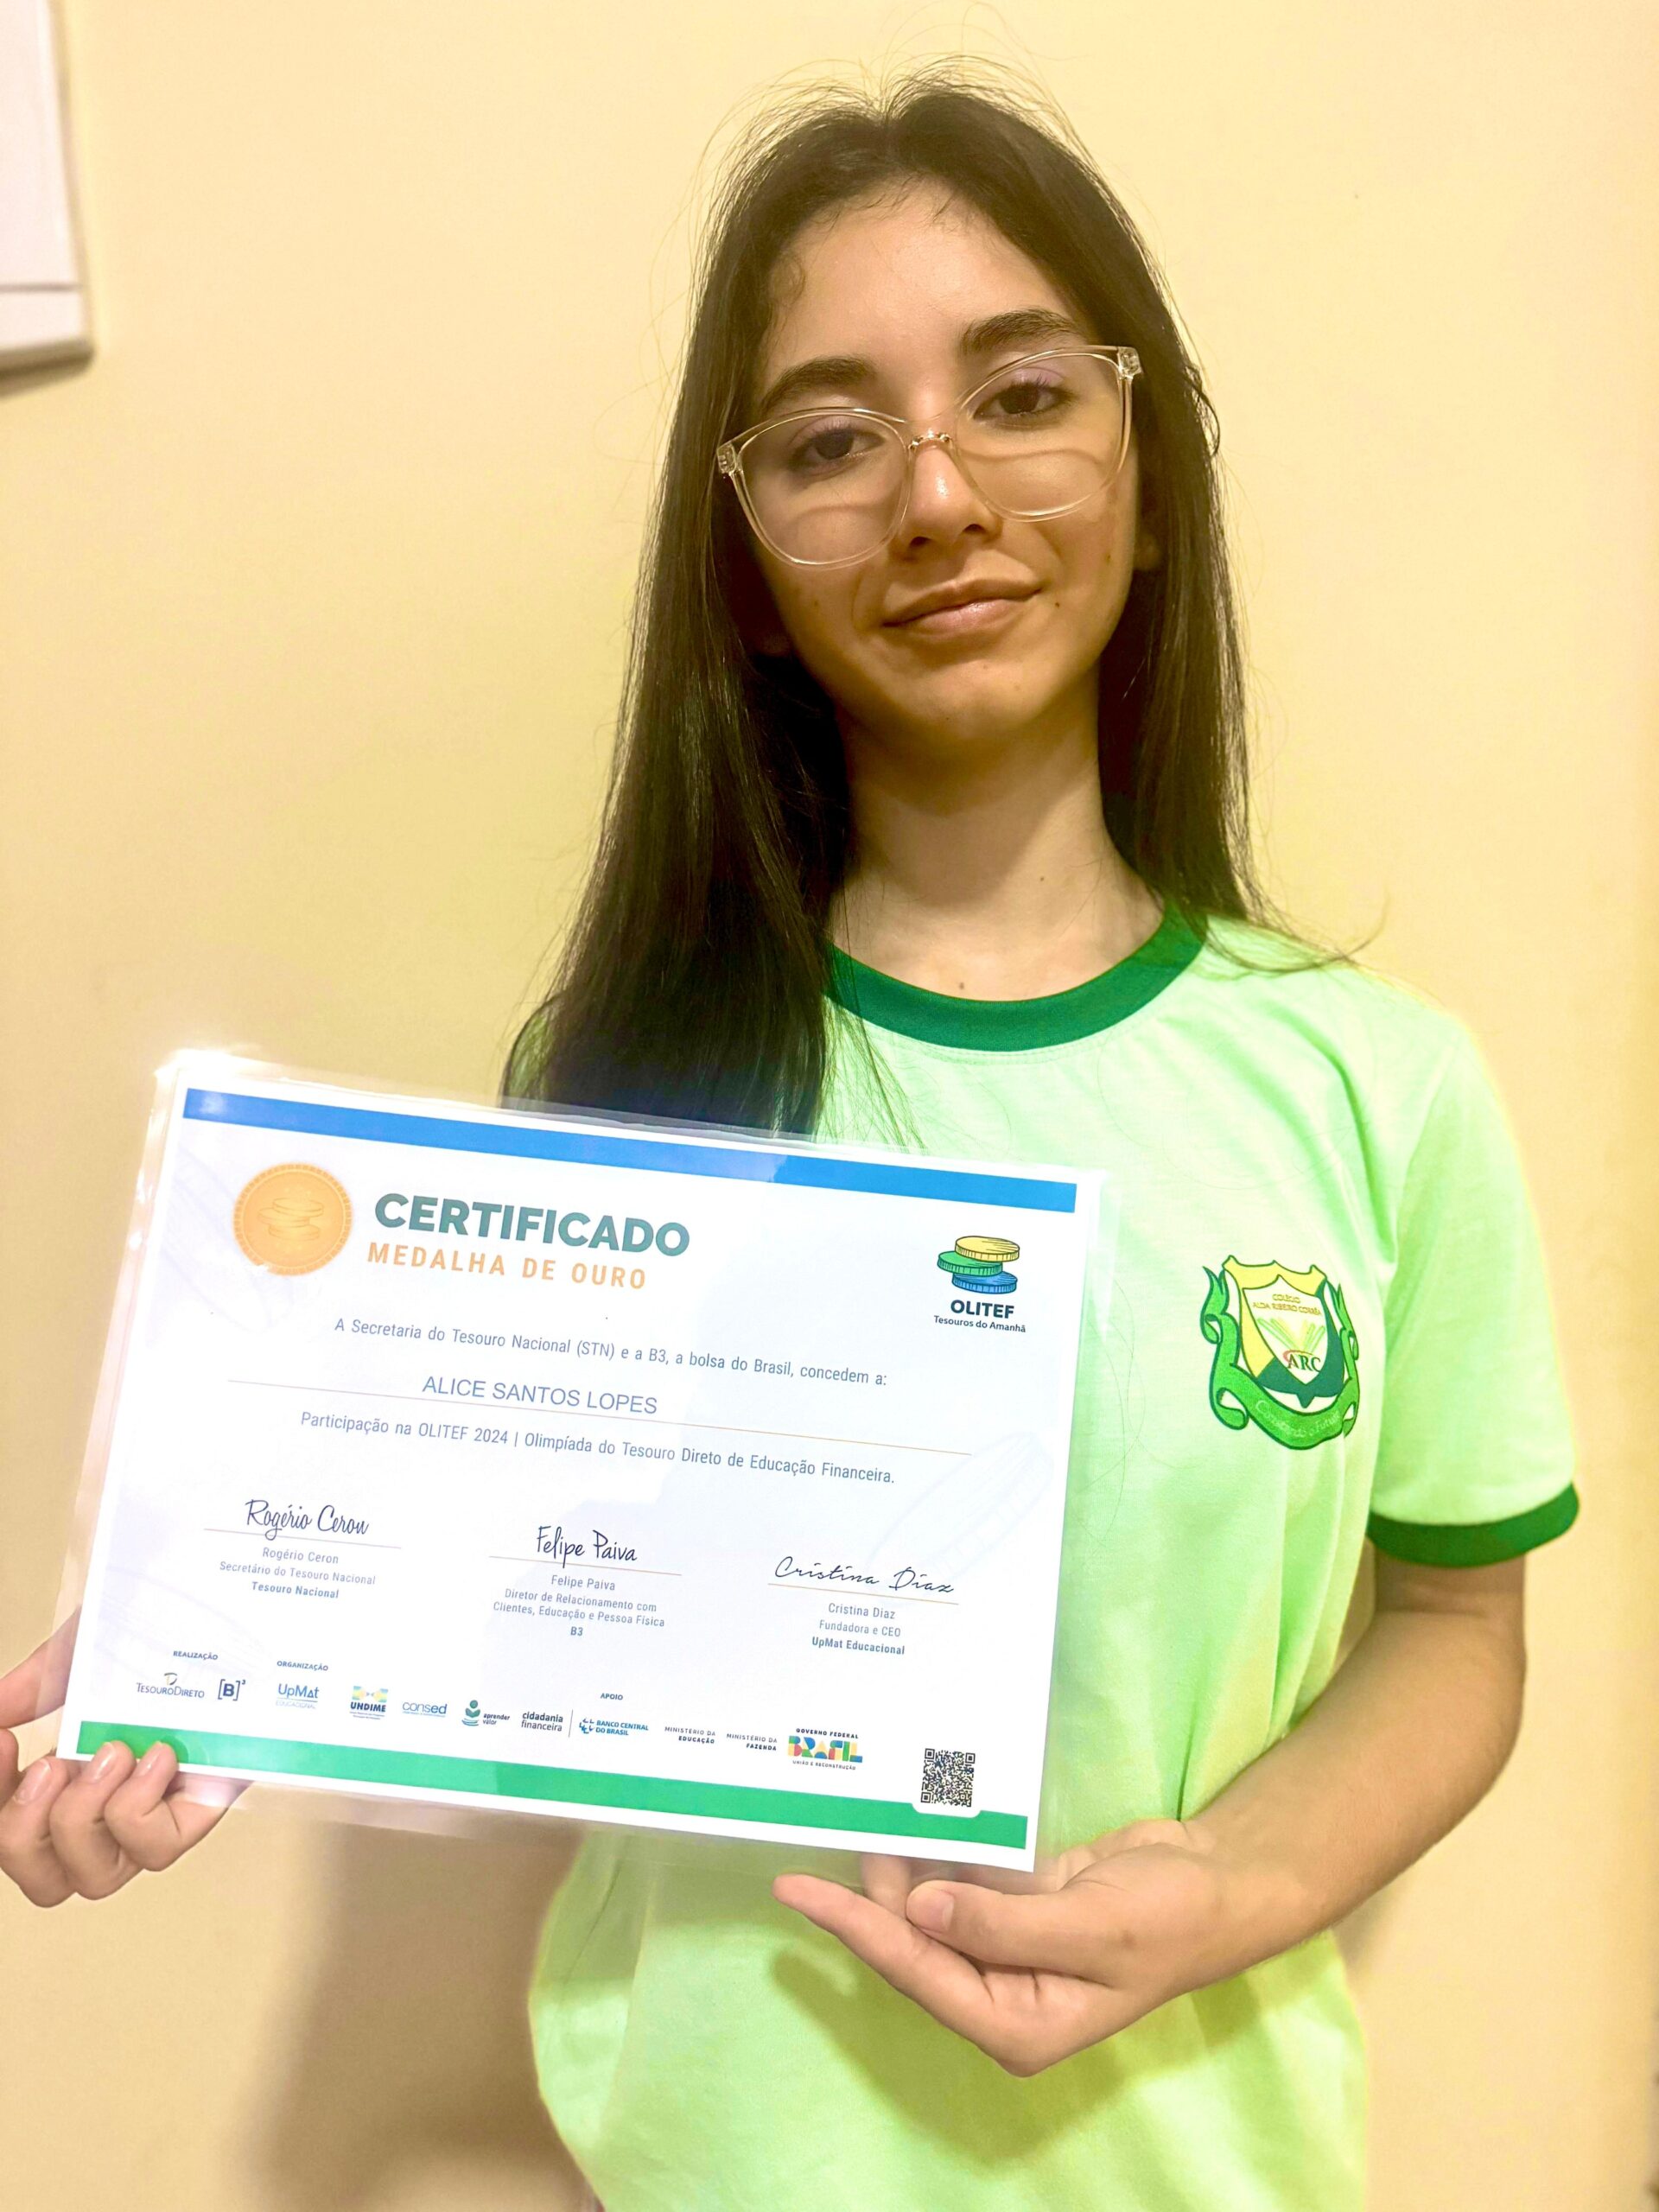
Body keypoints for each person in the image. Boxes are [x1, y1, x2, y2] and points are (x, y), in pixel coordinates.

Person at [0, 60, 1580, 2212]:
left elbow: (1458, 1624)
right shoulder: (629, 1079)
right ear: (747, 563)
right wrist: (188, 1663)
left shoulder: (1378, 1085)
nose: (937, 495)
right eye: (833, 439)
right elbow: (510, 1573)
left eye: (1022, 394)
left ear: (1146, 471)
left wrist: (1232, 1887)